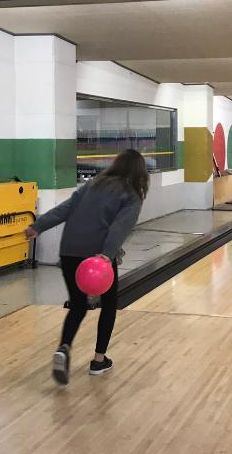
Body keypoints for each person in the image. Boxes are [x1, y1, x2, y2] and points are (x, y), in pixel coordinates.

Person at [27, 149, 149, 384]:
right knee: (109, 305)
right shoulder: (132, 195)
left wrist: (38, 226)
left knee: (78, 305)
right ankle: (99, 360)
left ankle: (64, 347)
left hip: (69, 251)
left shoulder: (93, 184)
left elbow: (66, 208)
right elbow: (120, 227)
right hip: (97, 256)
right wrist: (107, 255)